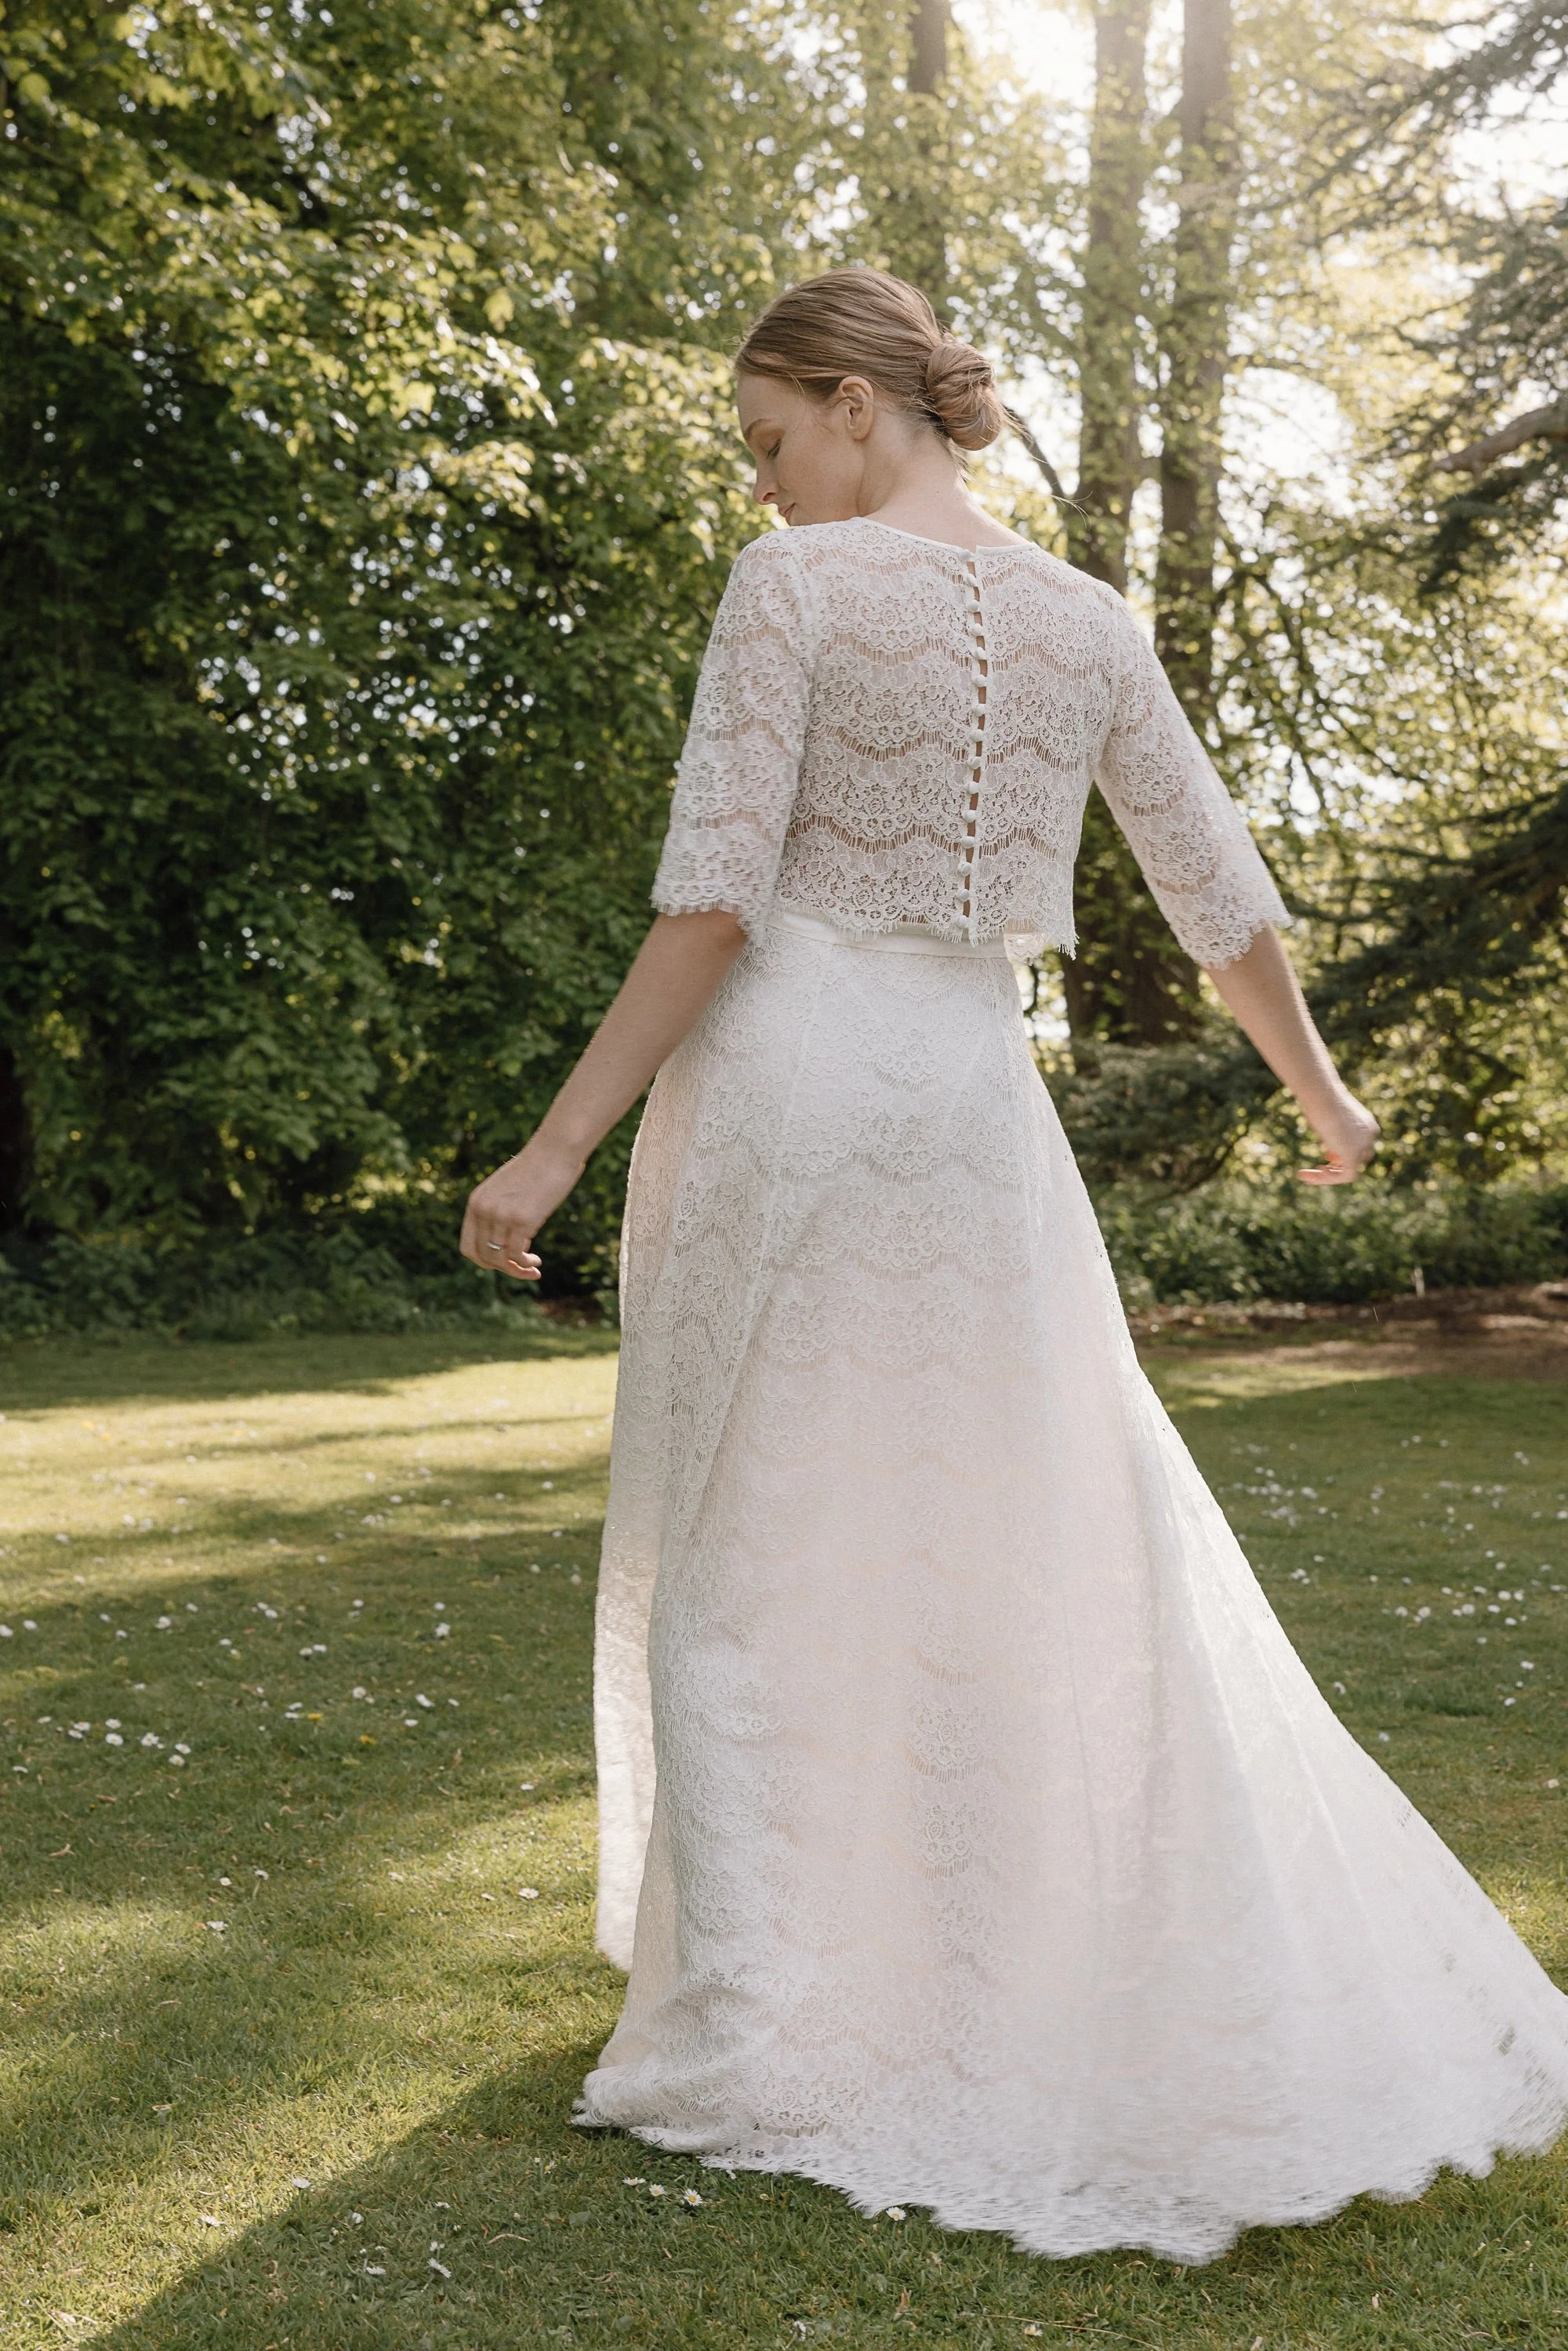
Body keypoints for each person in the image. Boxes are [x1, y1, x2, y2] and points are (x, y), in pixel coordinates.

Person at [459, 267, 1568, 2264]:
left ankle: (763, 2018)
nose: (769, 481)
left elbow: (716, 896)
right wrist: (1319, 1092)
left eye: (774, 438)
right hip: (974, 1112)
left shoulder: (788, 595)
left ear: (858, 403)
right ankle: (953, 1955)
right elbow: (1210, 880)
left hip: (796, 1089)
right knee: (1005, 1530)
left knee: (747, 1534)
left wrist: (555, 1144)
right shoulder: (1089, 622)